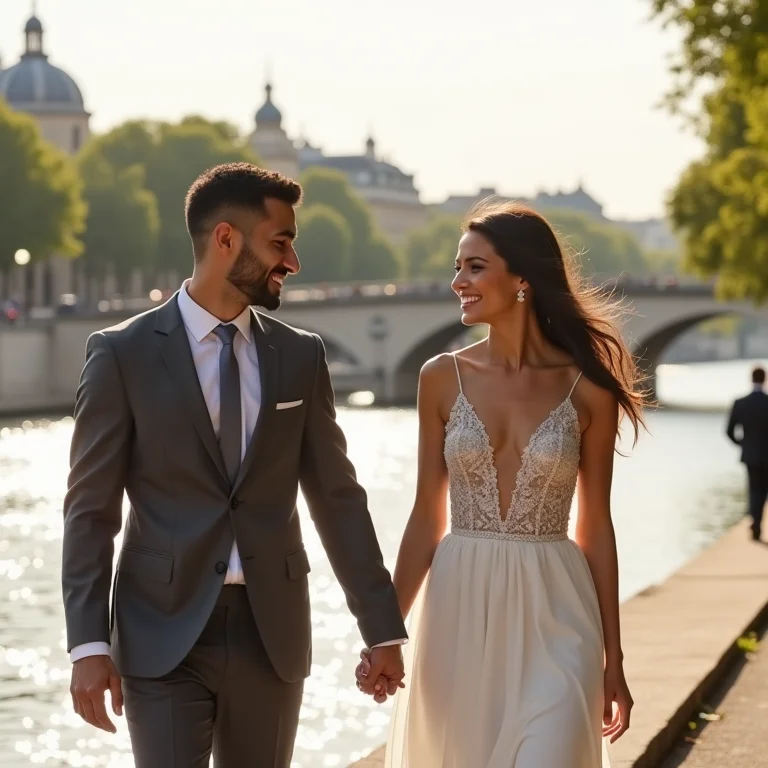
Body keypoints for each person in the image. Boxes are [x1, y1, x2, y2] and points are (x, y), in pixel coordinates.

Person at [61, 163, 407, 768]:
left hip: (271, 632)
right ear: (226, 239)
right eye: (280, 242)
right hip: (159, 631)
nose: (293, 261)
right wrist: (88, 645)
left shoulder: (300, 355)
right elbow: (90, 510)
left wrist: (381, 628)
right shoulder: (121, 354)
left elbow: (338, 500)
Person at [355, 201, 642, 767]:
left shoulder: (589, 389)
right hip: (459, 608)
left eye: (475, 267)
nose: (457, 282)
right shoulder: (440, 377)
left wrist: (615, 658)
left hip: (556, 611)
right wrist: (386, 634)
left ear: (522, 279)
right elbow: (426, 517)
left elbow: (596, 527)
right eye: (458, 267)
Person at [726, 365, 768, 541]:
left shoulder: (741, 403)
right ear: (765, 379)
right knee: (763, 490)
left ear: (751, 379)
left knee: (753, 488)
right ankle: (757, 521)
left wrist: (742, 444)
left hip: (750, 454)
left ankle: (755, 521)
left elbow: (729, 431)